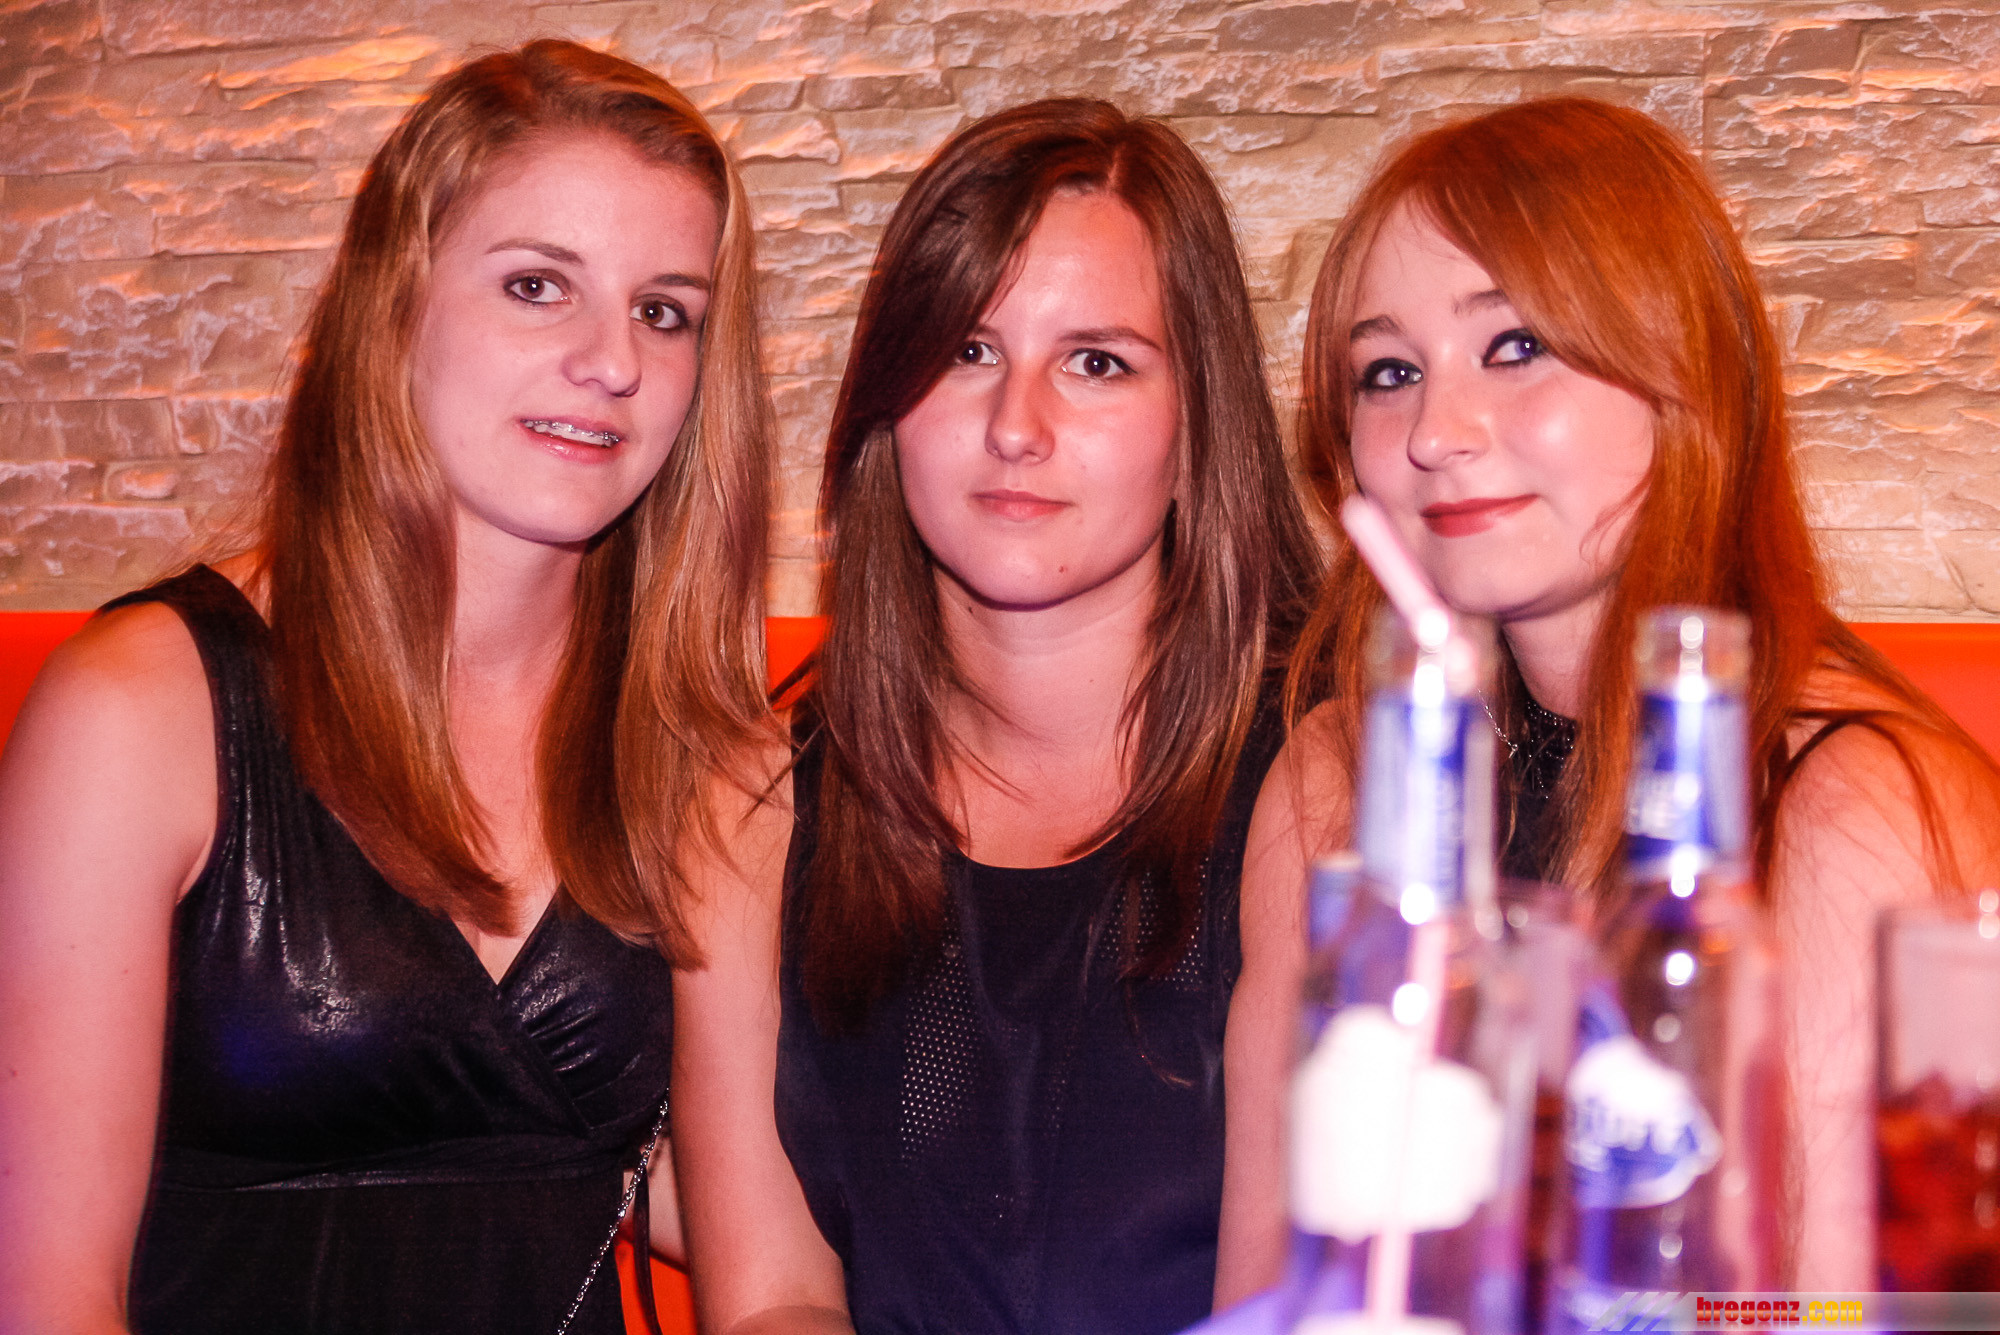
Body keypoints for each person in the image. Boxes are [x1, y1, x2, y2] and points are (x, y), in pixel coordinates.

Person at [0, 39, 775, 1335]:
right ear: (393, 302)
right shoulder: (138, 712)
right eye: (537, 285)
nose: (613, 361)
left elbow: (739, 1222)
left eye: (664, 311)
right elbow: (48, 1296)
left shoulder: (705, 752)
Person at [1263, 96, 2000, 1291]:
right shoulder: (1337, 783)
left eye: (1514, 347)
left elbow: (1834, 1313)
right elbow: (1277, 1287)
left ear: (1681, 374)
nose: (1434, 432)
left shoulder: (1839, 805)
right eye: (1387, 372)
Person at [672, 99, 1323, 1335]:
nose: (1015, 426)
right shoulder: (750, 811)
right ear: (888, 405)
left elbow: (1293, 1307)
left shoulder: (1319, 774)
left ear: (1199, 423)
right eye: (968, 350)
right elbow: (769, 1304)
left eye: (1096, 362)